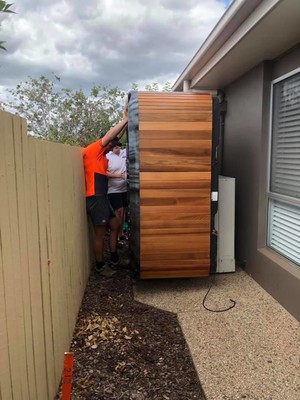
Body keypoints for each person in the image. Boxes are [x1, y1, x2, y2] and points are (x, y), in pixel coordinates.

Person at [82, 102, 128, 277]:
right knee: (100, 234)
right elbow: (110, 136)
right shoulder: (92, 150)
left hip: (103, 197)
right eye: (110, 143)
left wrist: (125, 122)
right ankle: (100, 266)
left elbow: (114, 138)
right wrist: (124, 119)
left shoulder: (103, 156)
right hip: (95, 197)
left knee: (115, 225)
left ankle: (115, 258)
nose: (113, 145)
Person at [106, 138, 128, 247]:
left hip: (124, 188)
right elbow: (104, 172)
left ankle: (121, 233)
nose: (117, 149)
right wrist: (118, 175)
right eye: (115, 147)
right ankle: (116, 237)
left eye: (119, 146)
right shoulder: (108, 156)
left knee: (123, 211)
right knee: (118, 212)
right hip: (113, 190)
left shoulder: (124, 153)